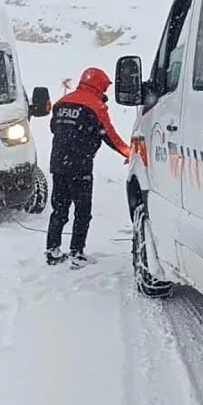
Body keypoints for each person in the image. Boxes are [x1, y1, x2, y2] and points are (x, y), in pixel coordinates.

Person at [45, 67, 131, 268]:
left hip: (58, 164)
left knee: (59, 209)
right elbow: (110, 136)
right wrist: (129, 152)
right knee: (82, 211)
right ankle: (77, 252)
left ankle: (52, 250)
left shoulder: (61, 104)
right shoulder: (95, 106)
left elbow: (53, 128)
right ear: (99, 85)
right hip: (80, 167)